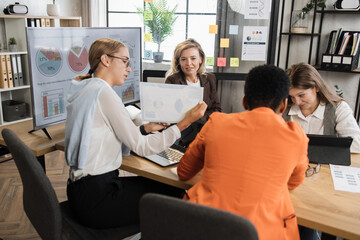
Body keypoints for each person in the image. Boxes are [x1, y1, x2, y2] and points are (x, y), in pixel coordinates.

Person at [65, 38, 207, 229]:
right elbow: (142, 147)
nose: (129, 68)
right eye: (125, 61)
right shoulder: (104, 93)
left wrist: (145, 129)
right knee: (174, 195)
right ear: (106, 60)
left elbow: (110, 133)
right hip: (97, 199)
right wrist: (184, 123)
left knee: (163, 188)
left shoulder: (87, 87)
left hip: (81, 191)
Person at [177, 64, 309, 240]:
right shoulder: (296, 136)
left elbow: (184, 172)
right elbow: (293, 182)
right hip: (262, 233)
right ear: (284, 105)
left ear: (244, 101)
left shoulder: (216, 122)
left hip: (202, 227)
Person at [284, 62, 360, 153]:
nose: (296, 102)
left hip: (324, 165)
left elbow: (356, 144)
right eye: (292, 96)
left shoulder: (338, 108)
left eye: (301, 95)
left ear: (316, 87)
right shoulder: (283, 108)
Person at [165, 38, 221, 146]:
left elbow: (216, 109)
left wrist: (199, 117)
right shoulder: (172, 81)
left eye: (193, 58)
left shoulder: (209, 78)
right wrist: (192, 118)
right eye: (183, 59)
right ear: (178, 62)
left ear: (200, 59)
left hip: (205, 131)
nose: (189, 63)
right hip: (183, 134)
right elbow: (170, 115)